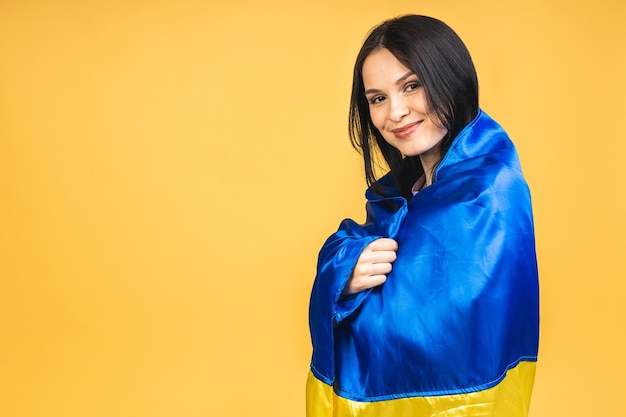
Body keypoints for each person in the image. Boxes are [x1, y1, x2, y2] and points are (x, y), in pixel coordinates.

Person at [307, 15, 539, 417]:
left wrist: (346, 276)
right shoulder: (399, 191)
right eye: (377, 98)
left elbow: (423, 324)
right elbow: (355, 245)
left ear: (450, 77)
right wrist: (345, 268)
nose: (395, 112)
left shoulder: (487, 191)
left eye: (411, 86)